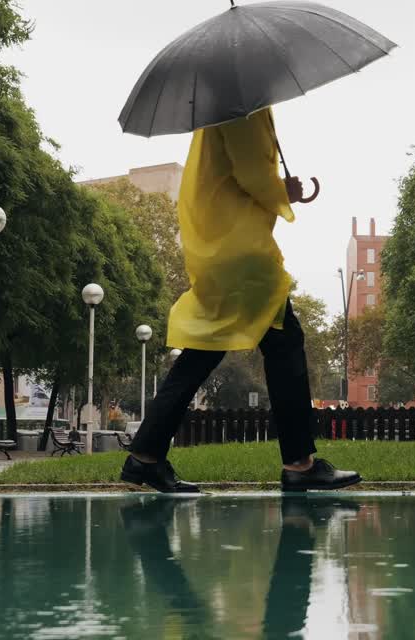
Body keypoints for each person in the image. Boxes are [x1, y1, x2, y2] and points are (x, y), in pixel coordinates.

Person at [122, 107, 360, 494]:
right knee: (285, 344)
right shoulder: (242, 107)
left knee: (203, 351)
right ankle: (300, 464)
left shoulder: (222, 105)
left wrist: (279, 190)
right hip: (242, 253)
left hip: (222, 249)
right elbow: (251, 173)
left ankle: (145, 456)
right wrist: (286, 192)